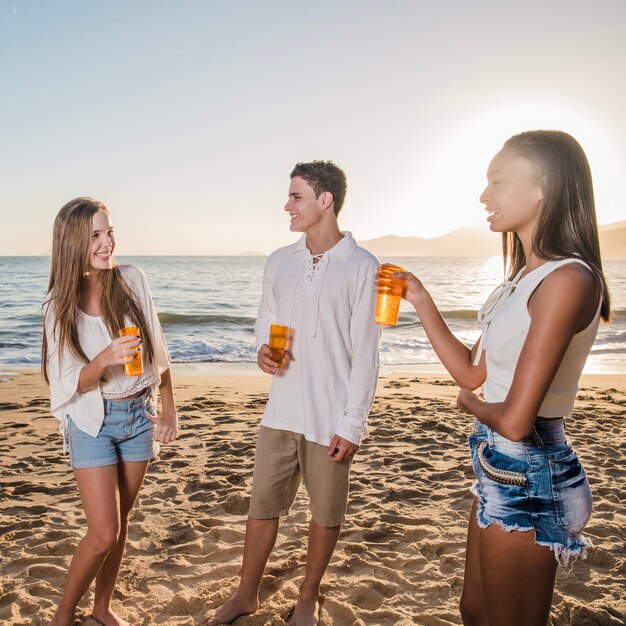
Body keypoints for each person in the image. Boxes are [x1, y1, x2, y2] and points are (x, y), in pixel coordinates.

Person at [395, 130, 611, 626]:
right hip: (496, 463)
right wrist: (421, 300)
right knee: (475, 611)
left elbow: (515, 419)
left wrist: (469, 405)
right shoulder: (521, 279)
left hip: (532, 469)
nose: (483, 196)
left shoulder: (568, 280)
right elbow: (473, 372)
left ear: (542, 189)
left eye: (497, 182)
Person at [209, 161, 380, 626]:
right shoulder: (279, 261)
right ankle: (246, 594)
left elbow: (366, 353)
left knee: (325, 513)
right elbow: (266, 318)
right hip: (281, 410)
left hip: (331, 416)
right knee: (262, 506)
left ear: (325, 201)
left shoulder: (363, 267)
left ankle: (308, 594)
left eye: (296, 196)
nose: (287, 205)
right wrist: (263, 350)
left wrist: (353, 424)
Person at [42, 198, 178, 626]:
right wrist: (103, 360)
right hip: (92, 422)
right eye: (96, 236)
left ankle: (102, 608)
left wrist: (170, 410)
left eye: (109, 232)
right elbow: (67, 384)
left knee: (119, 525)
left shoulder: (132, 278)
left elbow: (157, 348)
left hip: (140, 416)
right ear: (73, 243)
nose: (107, 243)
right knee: (102, 532)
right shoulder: (57, 307)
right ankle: (63, 615)